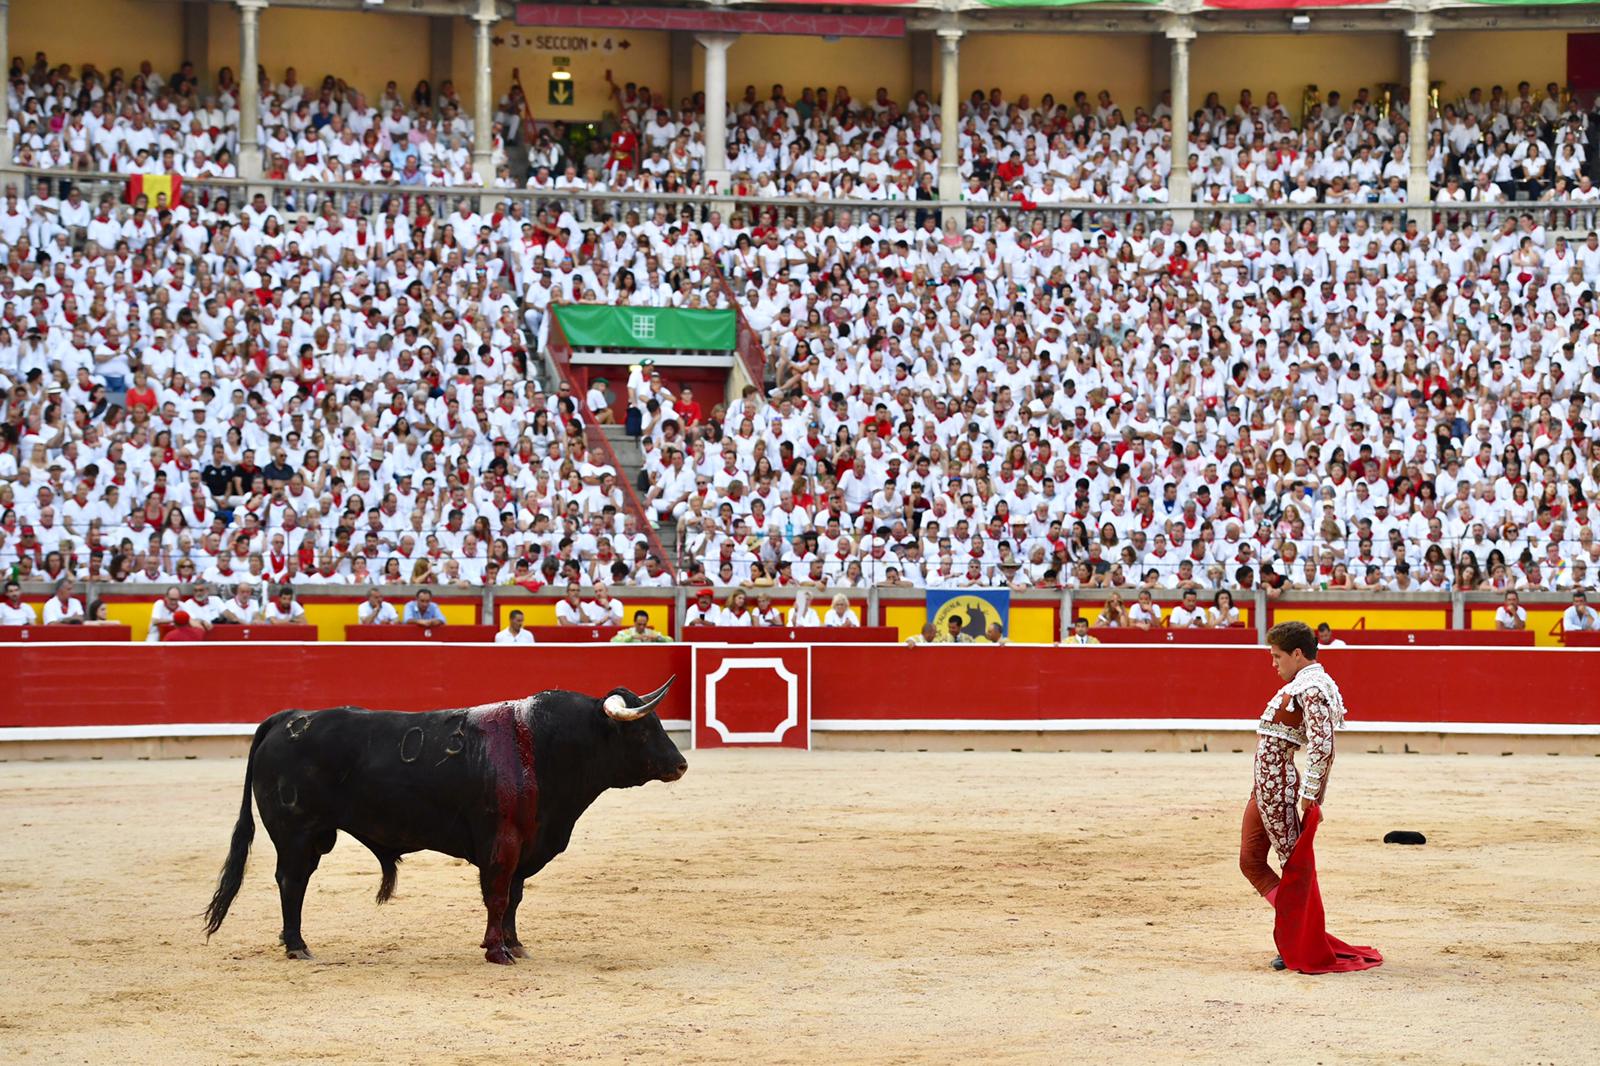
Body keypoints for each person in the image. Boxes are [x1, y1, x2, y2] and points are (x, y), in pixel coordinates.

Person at [1243, 621, 1348, 970]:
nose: (1273, 664)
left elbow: (1323, 744)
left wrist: (1310, 794)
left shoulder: (1314, 686)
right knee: (1251, 862)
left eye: (1277, 656)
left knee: (1294, 869)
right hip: (1264, 785)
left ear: (1297, 654)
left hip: (1278, 785)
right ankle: (1298, 930)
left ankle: (1299, 939)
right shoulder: (1304, 683)